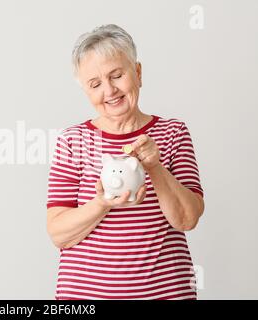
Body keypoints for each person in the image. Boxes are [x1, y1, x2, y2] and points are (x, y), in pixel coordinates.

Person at [46, 24, 205, 300]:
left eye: (117, 75)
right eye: (95, 84)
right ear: (86, 90)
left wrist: (156, 167)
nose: (109, 90)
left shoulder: (173, 133)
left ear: (138, 73)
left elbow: (187, 219)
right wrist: (101, 204)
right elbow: (59, 233)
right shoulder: (72, 140)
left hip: (166, 294)